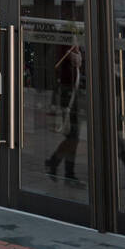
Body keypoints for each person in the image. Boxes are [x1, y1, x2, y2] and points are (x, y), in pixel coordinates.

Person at [45, 43, 84, 186]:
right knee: (72, 136)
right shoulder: (64, 43)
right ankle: (60, 168)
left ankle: (60, 167)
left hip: (71, 91)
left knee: (73, 136)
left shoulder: (71, 43)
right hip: (68, 92)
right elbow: (63, 67)